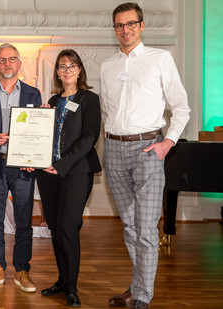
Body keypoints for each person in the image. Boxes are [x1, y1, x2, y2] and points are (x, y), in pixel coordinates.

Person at [101, 3, 190, 308]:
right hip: (113, 149)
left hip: (148, 149)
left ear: (141, 25)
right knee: (129, 226)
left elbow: (181, 106)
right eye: (119, 25)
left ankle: (143, 296)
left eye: (130, 24)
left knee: (146, 228)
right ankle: (136, 286)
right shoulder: (108, 65)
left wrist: (168, 142)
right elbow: (106, 111)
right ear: (114, 29)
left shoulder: (160, 59)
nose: (124, 29)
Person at [0, 43, 41, 293]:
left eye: (12, 59)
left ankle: (22, 270)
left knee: (24, 220)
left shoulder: (34, 94)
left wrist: (36, 156)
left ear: (19, 64)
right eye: (2, 60)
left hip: (24, 167)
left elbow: (39, 130)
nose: (7, 64)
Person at [36, 49, 102, 308]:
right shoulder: (51, 101)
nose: (67, 70)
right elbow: (41, 137)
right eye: (62, 66)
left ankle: (72, 287)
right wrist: (40, 120)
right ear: (57, 72)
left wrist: (61, 165)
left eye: (72, 66)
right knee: (54, 227)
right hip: (48, 173)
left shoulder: (89, 99)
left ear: (80, 70)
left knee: (68, 226)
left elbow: (89, 138)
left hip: (76, 171)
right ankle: (62, 280)